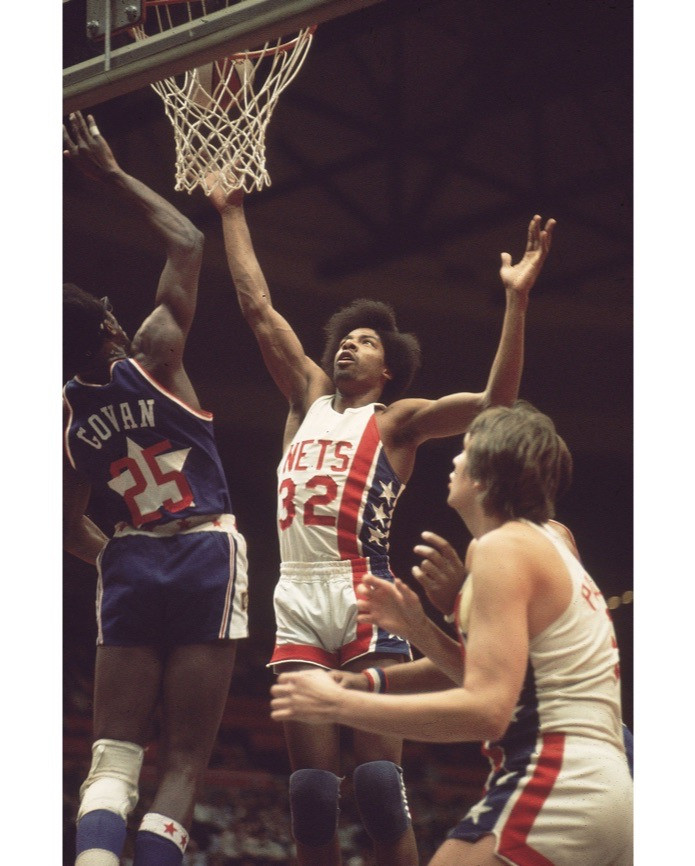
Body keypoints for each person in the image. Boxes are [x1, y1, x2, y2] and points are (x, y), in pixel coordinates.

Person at [208, 184, 555, 864]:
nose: (348, 347)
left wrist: (516, 301)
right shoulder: (306, 399)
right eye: (343, 341)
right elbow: (257, 308)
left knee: (376, 785)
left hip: (362, 589)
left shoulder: (398, 421)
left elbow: (497, 401)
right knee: (311, 794)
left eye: (364, 342)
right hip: (296, 594)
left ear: (387, 367)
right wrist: (233, 212)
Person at [270, 404, 633, 866]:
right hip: (613, 779)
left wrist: (342, 706)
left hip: (561, 776)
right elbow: (484, 671)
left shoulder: (501, 547)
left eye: (465, 451)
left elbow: (486, 711)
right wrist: (397, 650)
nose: (455, 460)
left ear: (484, 473)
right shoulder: (547, 540)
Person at [63, 111, 249, 866]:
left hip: (132, 558)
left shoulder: (66, 418)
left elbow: (66, 527)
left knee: (113, 756)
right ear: (109, 323)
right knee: (184, 762)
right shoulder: (154, 354)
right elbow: (189, 241)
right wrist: (110, 173)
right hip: (203, 549)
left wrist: (116, 556)